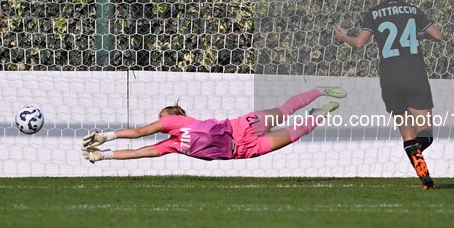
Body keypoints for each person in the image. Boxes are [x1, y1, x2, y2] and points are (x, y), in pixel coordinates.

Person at [334, 0, 443, 189]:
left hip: (390, 80)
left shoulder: (373, 14)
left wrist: (343, 37)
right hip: (415, 76)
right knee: (425, 134)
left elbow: (358, 43)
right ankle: (421, 160)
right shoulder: (413, 10)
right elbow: (438, 36)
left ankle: (427, 181)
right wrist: (418, 34)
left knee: (408, 137)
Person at [81, 87, 346, 163]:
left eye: (161, 117)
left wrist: (107, 136)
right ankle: (319, 112)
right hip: (240, 151)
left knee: (287, 111)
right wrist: (103, 156)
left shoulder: (174, 122)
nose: (159, 121)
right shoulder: (171, 146)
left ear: (170, 116)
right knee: (298, 131)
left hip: (241, 127)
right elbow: (140, 152)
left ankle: (320, 90)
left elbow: (139, 133)